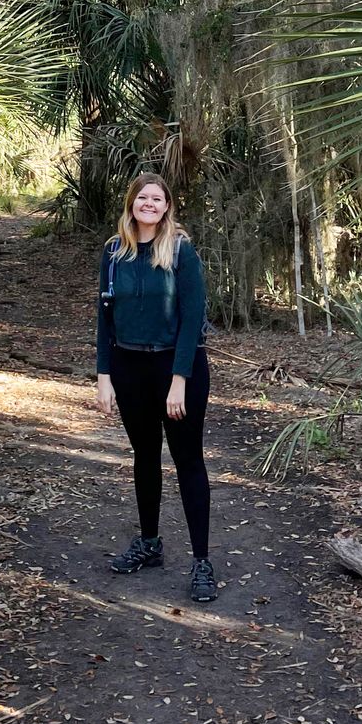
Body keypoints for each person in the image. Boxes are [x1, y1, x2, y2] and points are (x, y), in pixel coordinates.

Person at [94, 173, 217, 603]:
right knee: (145, 456)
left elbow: (191, 319)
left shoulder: (181, 251)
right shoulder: (114, 252)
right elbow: (104, 319)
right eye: (143, 197)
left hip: (177, 368)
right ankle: (149, 544)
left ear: (167, 207)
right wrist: (104, 376)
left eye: (157, 199)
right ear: (132, 203)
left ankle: (202, 561)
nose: (149, 204)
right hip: (129, 367)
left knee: (188, 461)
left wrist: (179, 381)